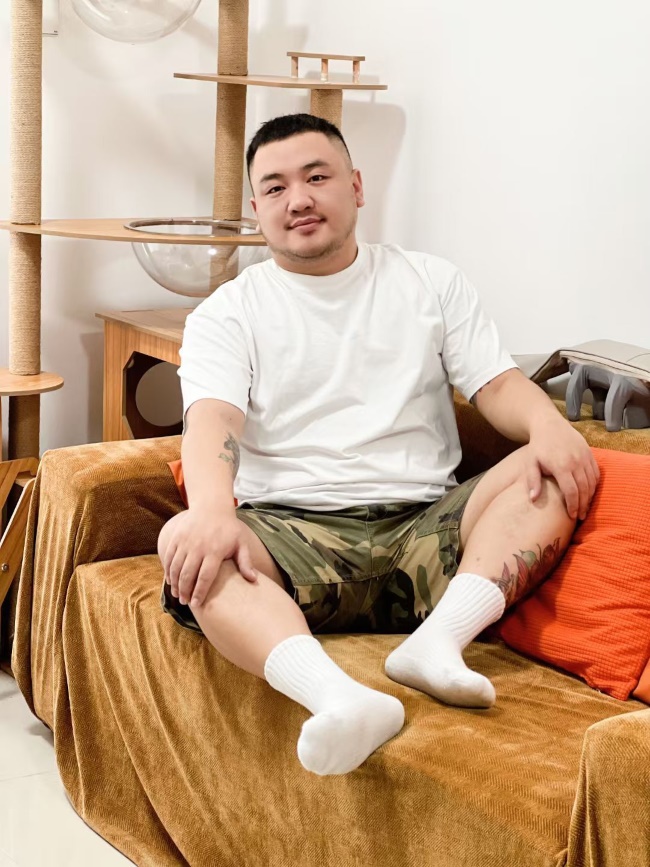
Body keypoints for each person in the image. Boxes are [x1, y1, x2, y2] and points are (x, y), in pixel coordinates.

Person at [158, 113, 599, 777]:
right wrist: (213, 512)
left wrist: (550, 426)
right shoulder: (228, 312)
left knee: (545, 470)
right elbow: (213, 420)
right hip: (291, 536)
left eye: (317, 177)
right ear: (256, 209)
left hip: (426, 529)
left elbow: (497, 383)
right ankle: (338, 700)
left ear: (357, 186)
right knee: (191, 548)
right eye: (275, 187)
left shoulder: (429, 281)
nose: (298, 199)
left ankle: (437, 644)